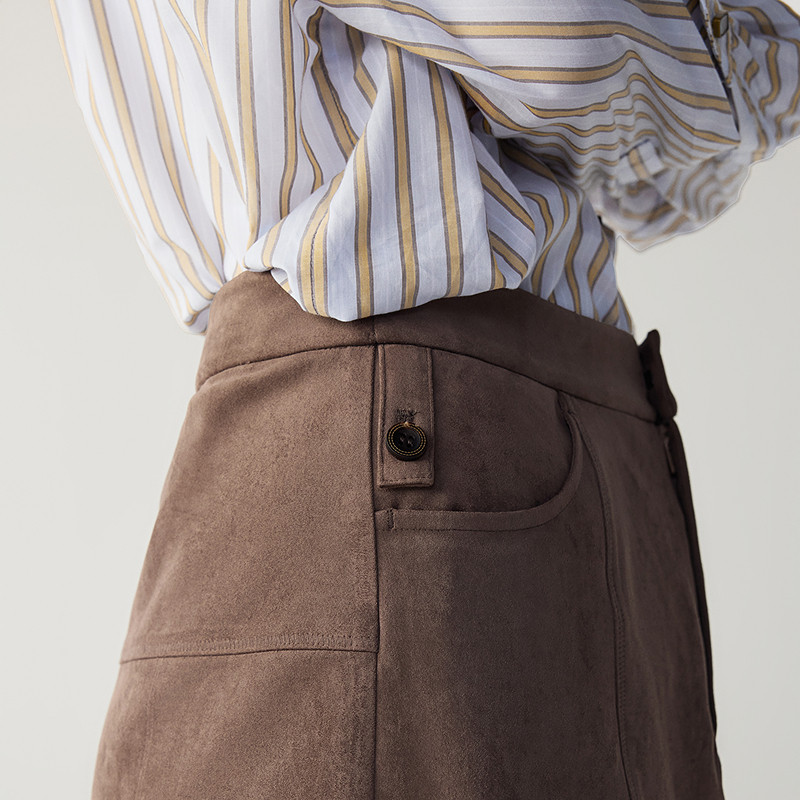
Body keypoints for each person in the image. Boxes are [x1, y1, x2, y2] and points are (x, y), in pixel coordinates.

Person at [49, 1, 800, 798]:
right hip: (433, 433)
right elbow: (565, 43)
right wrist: (758, 60)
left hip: (414, 441)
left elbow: (648, 164)